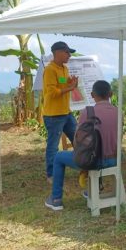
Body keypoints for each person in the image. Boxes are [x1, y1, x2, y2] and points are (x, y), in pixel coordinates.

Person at [44, 80, 118, 210]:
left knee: (59, 157)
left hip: (94, 162)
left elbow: (79, 139)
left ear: (92, 94)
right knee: (100, 149)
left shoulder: (88, 112)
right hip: (114, 160)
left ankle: (56, 199)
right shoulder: (118, 112)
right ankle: (92, 191)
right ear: (110, 94)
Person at [43, 41, 79, 183]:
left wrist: (69, 82)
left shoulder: (64, 68)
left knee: (78, 138)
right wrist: (70, 88)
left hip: (66, 112)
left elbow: (61, 82)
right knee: (53, 145)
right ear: (57, 53)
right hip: (53, 115)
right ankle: (51, 174)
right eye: (67, 52)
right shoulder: (50, 70)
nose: (69, 55)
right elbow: (52, 92)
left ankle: (83, 164)